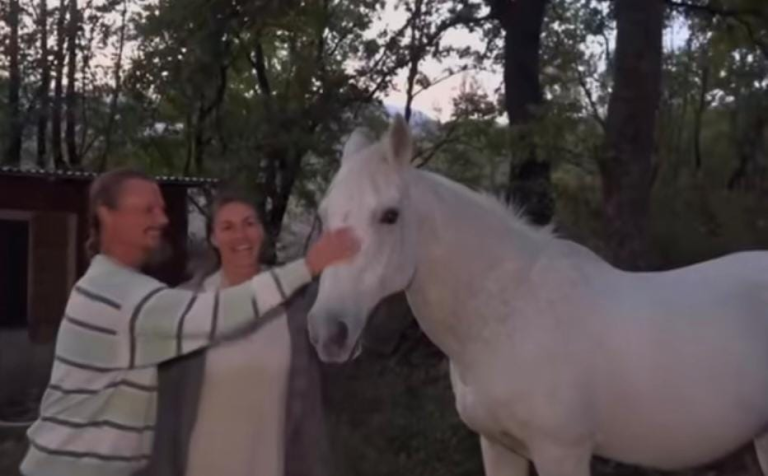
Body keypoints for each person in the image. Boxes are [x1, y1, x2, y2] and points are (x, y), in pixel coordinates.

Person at [19, 168, 359, 476]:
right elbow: (216, 316)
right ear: (106, 215)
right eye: (148, 209)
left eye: (162, 208)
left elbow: (313, 402)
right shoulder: (127, 298)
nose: (163, 219)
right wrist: (308, 265)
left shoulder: (126, 288)